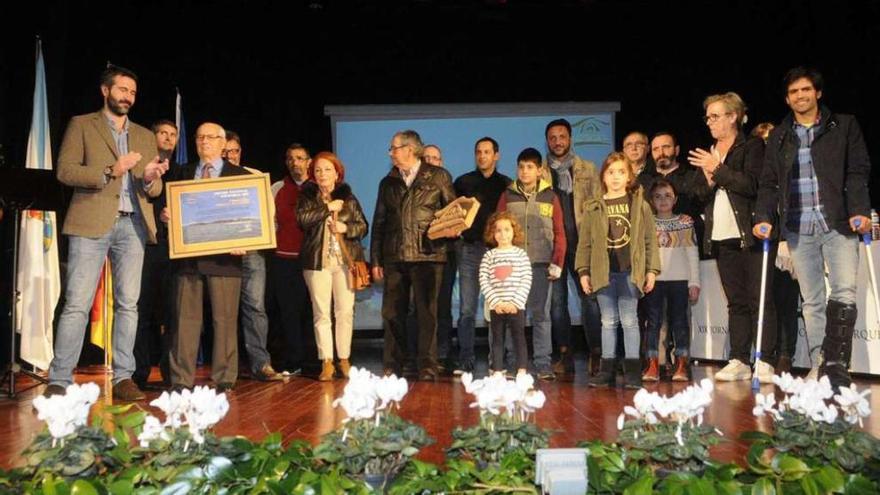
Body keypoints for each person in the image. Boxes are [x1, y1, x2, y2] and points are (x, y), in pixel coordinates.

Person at [47, 65, 169, 401]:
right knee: (77, 304)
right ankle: (59, 378)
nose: (128, 97)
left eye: (132, 92)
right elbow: (65, 171)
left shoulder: (145, 135)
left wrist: (150, 177)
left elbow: (154, 188)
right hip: (90, 223)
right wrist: (109, 170)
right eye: (122, 90)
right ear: (106, 91)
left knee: (129, 305)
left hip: (133, 227)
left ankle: (123, 378)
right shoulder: (82, 124)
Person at [754, 67, 872, 389]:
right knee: (812, 300)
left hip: (837, 222)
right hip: (797, 227)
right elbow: (768, 183)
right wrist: (763, 217)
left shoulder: (843, 125)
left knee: (844, 291)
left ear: (817, 93)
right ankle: (821, 363)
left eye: (806, 90)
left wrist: (860, 210)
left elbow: (858, 171)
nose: (800, 96)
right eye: (794, 92)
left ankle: (838, 366)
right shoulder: (779, 135)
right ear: (787, 99)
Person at [689, 92, 778, 384]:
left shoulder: (752, 147)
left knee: (759, 298)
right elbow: (700, 195)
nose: (710, 122)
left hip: (750, 234)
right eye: (708, 117)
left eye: (715, 116)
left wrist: (718, 170)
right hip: (721, 235)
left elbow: (752, 185)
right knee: (736, 301)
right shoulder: (710, 151)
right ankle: (739, 358)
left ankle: (764, 358)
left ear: (733, 116)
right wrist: (709, 175)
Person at [165, 122, 249, 392]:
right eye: (200, 137)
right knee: (185, 321)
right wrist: (167, 216)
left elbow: (251, 217)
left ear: (223, 143)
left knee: (224, 320)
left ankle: (225, 377)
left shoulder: (241, 175)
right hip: (189, 258)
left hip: (226, 259)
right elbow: (170, 208)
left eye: (210, 137)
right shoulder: (182, 172)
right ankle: (181, 379)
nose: (204, 142)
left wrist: (245, 240)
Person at [371, 130, 455, 381]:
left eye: (394, 148)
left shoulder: (438, 176)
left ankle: (427, 366)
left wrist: (453, 228)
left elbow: (454, 212)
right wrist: (375, 260)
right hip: (395, 255)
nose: (391, 153)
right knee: (392, 313)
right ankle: (393, 365)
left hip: (429, 254)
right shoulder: (388, 182)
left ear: (410, 149)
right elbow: (379, 223)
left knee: (427, 314)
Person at [577, 152, 660, 389]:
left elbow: (649, 240)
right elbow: (585, 243)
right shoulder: (593, 207)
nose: (615, 177)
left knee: (630, 321)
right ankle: (607, 370)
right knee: (608, 321)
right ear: (603, 176)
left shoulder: (640, 205)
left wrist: (651, 270)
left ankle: (633, 371)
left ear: (629, 177)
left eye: (621, 172)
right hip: (604, 273)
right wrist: (584, 271)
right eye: (611, 172)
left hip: (630, 273)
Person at [297, 152, 368, 381]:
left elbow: (362, 226)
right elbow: (303, 220)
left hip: (344, 263)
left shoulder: (349, 197)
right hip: (317, 263)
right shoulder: (307, 196)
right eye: (318, 170)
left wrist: (345, 228)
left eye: (327, 170)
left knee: (345, 311)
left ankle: (344, 359)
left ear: (337, 173)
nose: (322, 174)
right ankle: (326, 361)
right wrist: (327, 209)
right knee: (321, 313)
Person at [496, 148, 565, 379]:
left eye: (530, 167)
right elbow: (497, 228)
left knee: (541, 316)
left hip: (540, 265)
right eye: (521, 166)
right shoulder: (507, 195)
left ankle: (543, 363)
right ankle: (514, 362)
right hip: (512, 266)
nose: (525, 171)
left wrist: (557, 262)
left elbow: (559, 233)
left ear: (539, 171)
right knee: (513, 315)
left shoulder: (550, 196)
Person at [543, 118, 602, 375]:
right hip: (553, 248)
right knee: (557, 304)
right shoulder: (540, 172)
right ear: (547, 141)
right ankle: (564, 353)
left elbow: (599, 208)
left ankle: (597, 354)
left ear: (570, 139)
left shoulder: (588, 169)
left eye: (562, 136)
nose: (558, 141)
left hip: (582, 245)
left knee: (590, 300)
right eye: (553, 137)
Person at [222, 131, 282, 381]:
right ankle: (225, 368)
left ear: (240, 152)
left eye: (234, 151)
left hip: (252, 251)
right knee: (222, 311)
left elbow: (269, 217)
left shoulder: (255, 177)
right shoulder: (208, 178)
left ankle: (261, 364)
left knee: (255, 307)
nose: (230, 156)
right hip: (220, 254)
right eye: (225, 152)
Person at [452, 137, 512, 375]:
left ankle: (497, 361)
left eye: (487, 152)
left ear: (496, 155)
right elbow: (452, 212)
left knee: (497, 308)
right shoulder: (463, 182)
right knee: (467, 308)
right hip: (469, 250)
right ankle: (465, 359)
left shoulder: (507, 184)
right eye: (478, 152)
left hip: (497, 253)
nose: (482, 156)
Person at [133, 119, 178, 389]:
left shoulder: (180, 171)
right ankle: (138, 372)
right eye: (163, 133)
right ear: (152, 136)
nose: (168, 138)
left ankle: (171, 372)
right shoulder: (142, 166)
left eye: (173, 134)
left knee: (171, 314)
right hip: (143, 248)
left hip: (172, 251)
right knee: (141, 312)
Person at [642, 178, 700, 382]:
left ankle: (682, 363)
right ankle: (653, 363)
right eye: (658, 197)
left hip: (680, 281)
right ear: (651, 200)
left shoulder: (685, 222)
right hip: (655, 281)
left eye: (667, 196)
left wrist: (694, 282)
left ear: (675, 199)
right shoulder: (647, 222)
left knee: (680, 322)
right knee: (654, 323)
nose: (663, 200)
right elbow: (645, 252)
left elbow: (692, 253)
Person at [271, 143, 313, 375]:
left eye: (299, 158)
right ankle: (294, 361)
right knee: (289, 312)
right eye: (290, 159)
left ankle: (315, 361)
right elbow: (269, 222)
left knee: (313, 311)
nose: (295, 163)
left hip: (312, 260)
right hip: (284, 260)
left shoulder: (318, 186)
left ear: (309, 161)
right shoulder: (277, 188)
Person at [480, 212, 532, 377]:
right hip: (497, 307)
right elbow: (484, 280)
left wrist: (515, 302)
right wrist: (496, 302)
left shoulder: (520, 255)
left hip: (516, 306)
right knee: (497, 340)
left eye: (507, 230)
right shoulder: (489, 256)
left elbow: (526, 279)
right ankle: (497, 370)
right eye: (498, 230)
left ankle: (521, 370)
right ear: (492, 234)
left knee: (519, 339)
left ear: (513, 232)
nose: (503, 234)